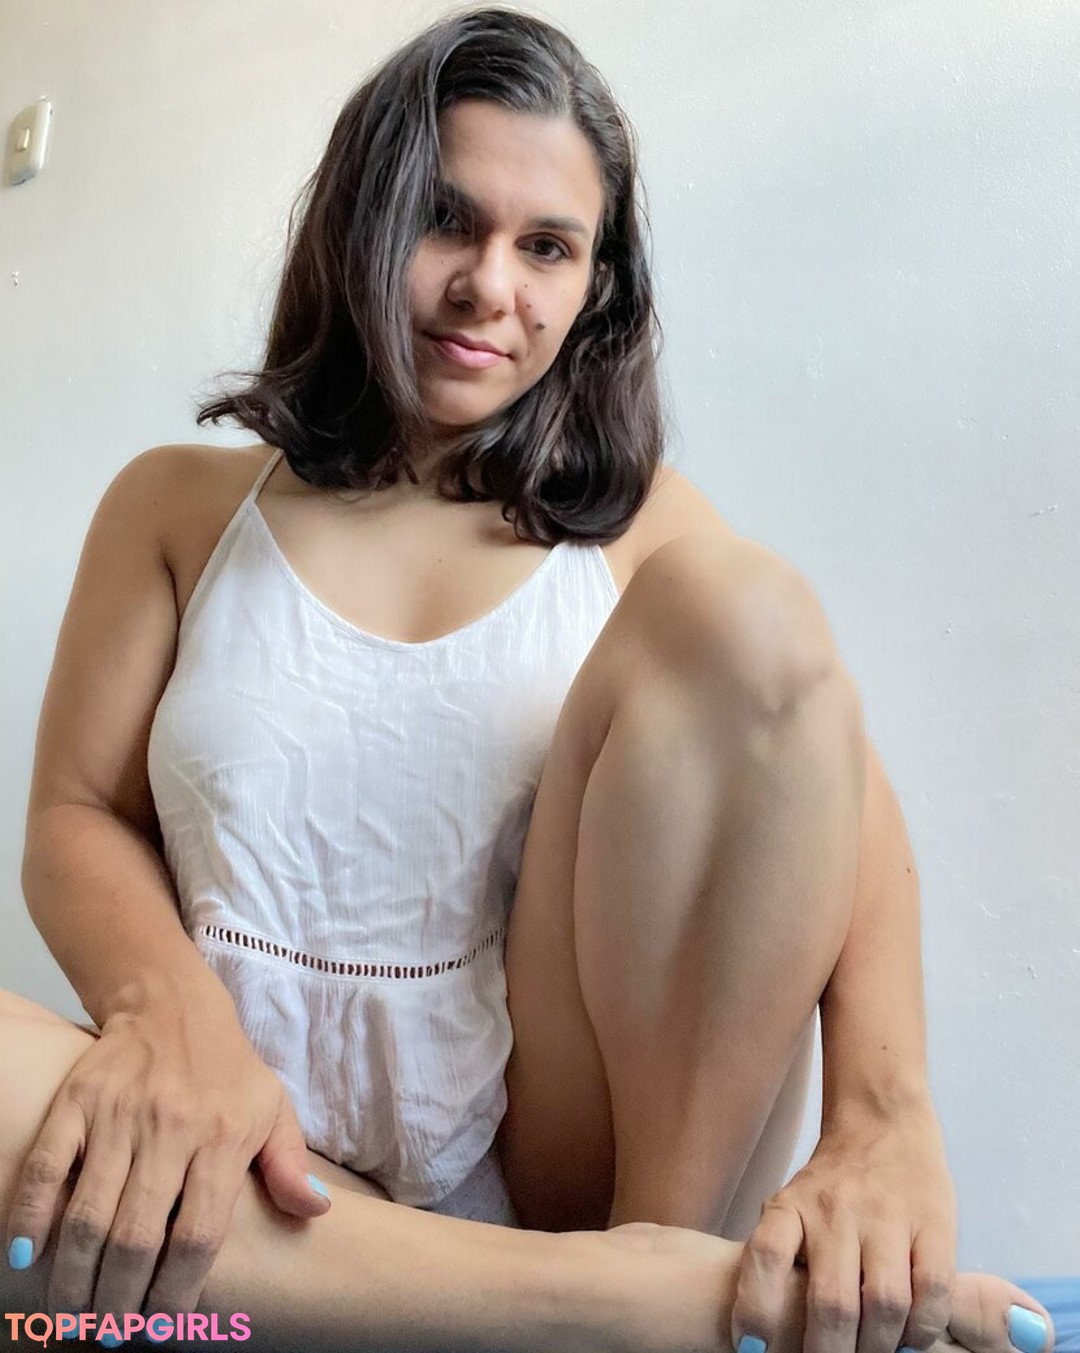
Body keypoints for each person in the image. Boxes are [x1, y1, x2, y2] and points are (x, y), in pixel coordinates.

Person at [1, 7, 1056, 1352]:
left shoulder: (642, 534)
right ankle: (651, 1313)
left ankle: (623, 1264)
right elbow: (76, 813)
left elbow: (837, 792)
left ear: (596, 282)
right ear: (362, 222)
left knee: (748, 608)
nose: (490, 285)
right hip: (244, 1171)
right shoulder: (176, 507)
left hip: (565, 1178)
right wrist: (170, 1015)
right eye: (447, 220)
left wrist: (886, 1118)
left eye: (547, 246)